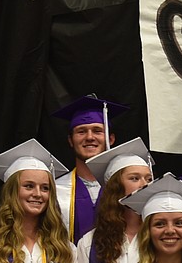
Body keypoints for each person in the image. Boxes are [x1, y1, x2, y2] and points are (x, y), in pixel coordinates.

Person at [52, 95, 128, 241]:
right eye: (81, 131)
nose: (89, 137)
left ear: (111, 139)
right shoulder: (55, 190)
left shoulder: (125, 187)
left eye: (97, 131)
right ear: (70, 140)